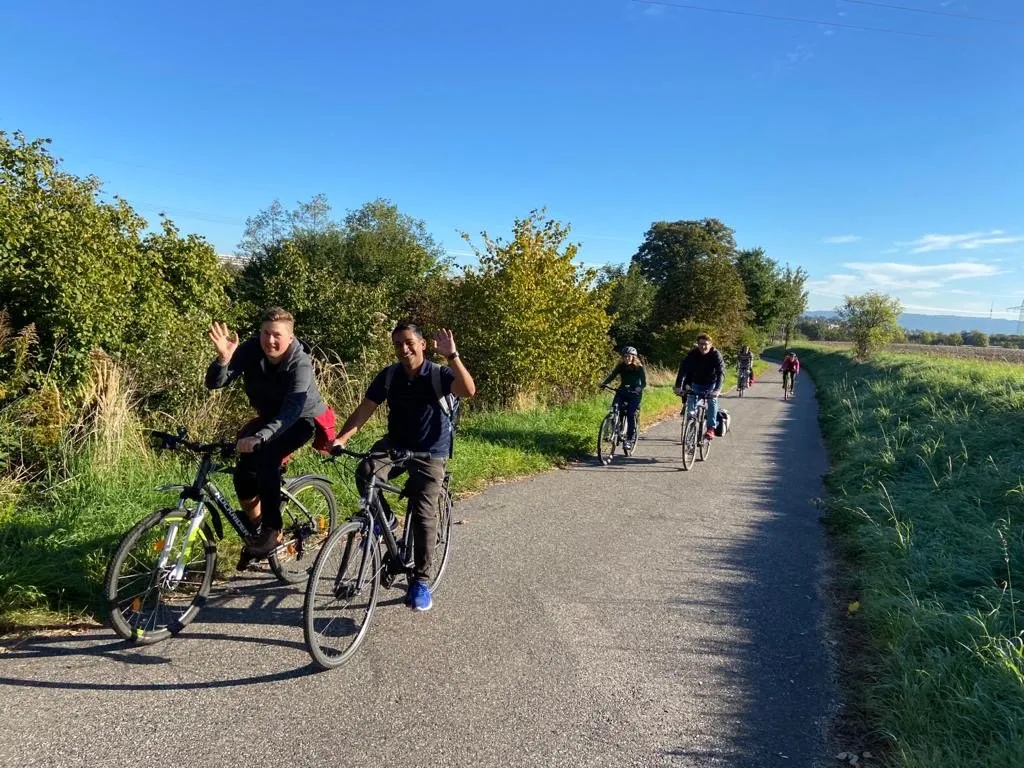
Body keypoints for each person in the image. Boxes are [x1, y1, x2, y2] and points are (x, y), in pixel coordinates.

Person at [332, 324, 476, 612]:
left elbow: (468, 390)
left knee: (423, 514)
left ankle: (420, 581)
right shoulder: (389, 375)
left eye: (409, 342)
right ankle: (385, 520)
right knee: (366, 471)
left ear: (423, 345)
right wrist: (342, 438)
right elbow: (365, 408)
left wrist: (452, 356)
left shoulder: (438, 373)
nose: (403, 348)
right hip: (396, 445)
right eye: (398, 343)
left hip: (430, 452)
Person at [205, 307, 331, 563]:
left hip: (301, 419)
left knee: (267, 457)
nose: (269, 340)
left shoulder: (300, 362)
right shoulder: (251, 349)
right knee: (243, 473)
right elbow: (215, 383)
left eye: (276, 335)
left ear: (290, 337)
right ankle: (258, 527)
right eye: (265, 333)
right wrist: (223, 359)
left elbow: (292, 409)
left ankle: (273, 530)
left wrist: (261, 437)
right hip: (269, 418)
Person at [674, 333, 725, 440]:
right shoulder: (693, 354)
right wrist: (678, 386)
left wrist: (717, 390)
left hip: (711, 384)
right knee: (691, 400)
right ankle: (691, 423)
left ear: (710, 345)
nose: (703, 346)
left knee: (712, 401)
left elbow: (721, 373)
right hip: (696, 383)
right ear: (697, 344)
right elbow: (683, 370)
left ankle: (711, 428)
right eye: (701, 344)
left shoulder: (716, 355)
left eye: (706, 344)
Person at [599, 346, 647, 450]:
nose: (627, 358)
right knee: (614, 409)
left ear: (634, 357)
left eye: (629, 356)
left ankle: (629, 439)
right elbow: (612, 376)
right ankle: (612, 431)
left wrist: (639, 388)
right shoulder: (621, 367)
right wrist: (604, 383)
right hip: (622, 391)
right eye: (625, 356)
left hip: (634, 394)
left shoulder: (639, 368)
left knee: (630, 414)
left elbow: (644, 383)